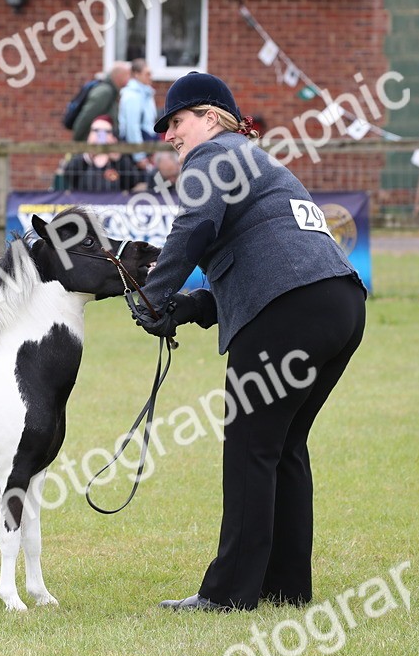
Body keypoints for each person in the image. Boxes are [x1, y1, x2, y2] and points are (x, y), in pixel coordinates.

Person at [133, 72, 367, 612]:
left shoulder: (211, 155)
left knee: (249, 448)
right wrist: (187, 306)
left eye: (177, 121)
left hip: (290, 308)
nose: (169, 135)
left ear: (211, 118)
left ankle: (227, 594)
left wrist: (152, 295)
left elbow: (194, 227)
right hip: (338, 304)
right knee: (281, 447)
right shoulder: (258, 161)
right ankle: (286, 587)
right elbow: (262, 264)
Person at [59, 116, 146, 192]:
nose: (101, 135)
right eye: (96, 131)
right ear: (89, 135)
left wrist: (118, 159)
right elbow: (68, 176)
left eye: (106, 131)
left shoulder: (120, 158)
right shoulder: (81, 158)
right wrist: (88, 157)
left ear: (113, 136)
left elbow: (132, 181)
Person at [72, 62, 131, 142]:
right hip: (99, 137)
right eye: (127, 75)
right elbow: (87, 116)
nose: (130, 78)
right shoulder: (105, 92)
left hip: (105, 137)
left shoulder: (113, 91)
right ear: (119, 75)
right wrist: (77, 140)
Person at [118, 59, 158, 169]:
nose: (151, 77)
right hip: (137, 151)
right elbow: (132, 127)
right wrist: (139, 156)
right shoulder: (132, 96)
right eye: (147, 74)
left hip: (148, 145)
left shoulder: (146, 93)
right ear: (136, 74)